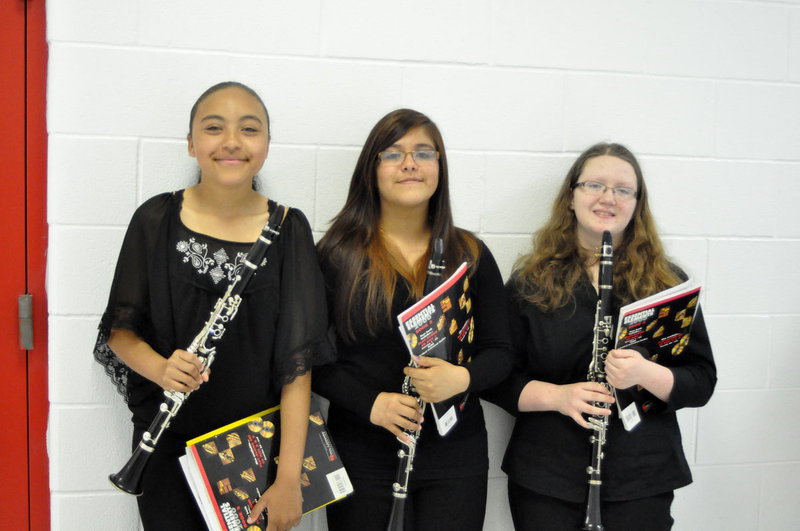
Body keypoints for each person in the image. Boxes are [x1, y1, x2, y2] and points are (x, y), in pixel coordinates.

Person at [93, 81, 331, 531]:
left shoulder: (289, 229)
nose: (232, 142)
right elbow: (120, 331)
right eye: (214, 127)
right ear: (191, 143)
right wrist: (162, 369)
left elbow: (298, 366)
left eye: (249, 128)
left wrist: (288, 478)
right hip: (167, 444)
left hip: (253, 449)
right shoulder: (155, 219)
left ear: (266, 145)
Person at [484, 142, 717, 530]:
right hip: (547, 474)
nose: (608, 197)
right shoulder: (531, 281)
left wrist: (645, 374)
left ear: (637, 203)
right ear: (571, 197)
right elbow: (495, 376)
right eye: (594, 185)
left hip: (642, 476)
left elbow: (702, 382)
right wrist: (557, 396)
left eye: (623, 189)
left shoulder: (668, 284)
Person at [313, 109, 513, 530]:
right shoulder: (337, 254)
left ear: (440, 166)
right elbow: (311, 359)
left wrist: (463, 379)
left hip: (454, 454)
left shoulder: (469, 254)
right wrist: (372, 404)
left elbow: (503, 351)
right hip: (362, 450)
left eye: (424, 152)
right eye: (392, 153)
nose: (409, 163)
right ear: (372, 168)